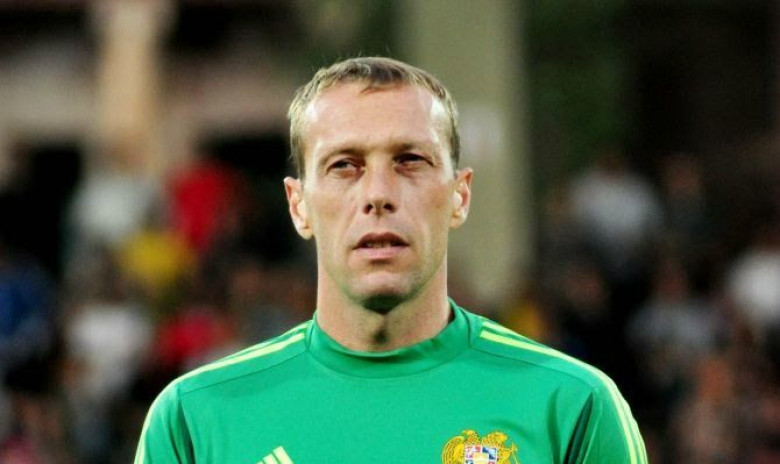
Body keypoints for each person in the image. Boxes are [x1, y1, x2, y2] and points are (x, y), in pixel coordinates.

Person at [134, 57, 647, 464]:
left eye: (410, 160)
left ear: (460, 196)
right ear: (298, 205)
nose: (378, 194)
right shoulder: (195, 419)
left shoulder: (571, 406)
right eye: (344, 165)